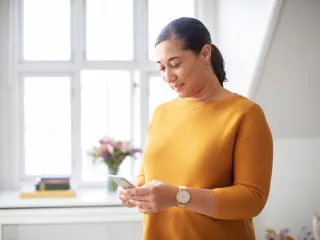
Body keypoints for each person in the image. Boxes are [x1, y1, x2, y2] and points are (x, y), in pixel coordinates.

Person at [118, 17, 273, 240]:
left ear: (205, 54)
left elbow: (252, 199)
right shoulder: (162, 113)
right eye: (161, 67)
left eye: (175, 64)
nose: (168, 77)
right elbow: (147, 176)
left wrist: (178, 197)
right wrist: (134, 190)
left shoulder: (245, 114)